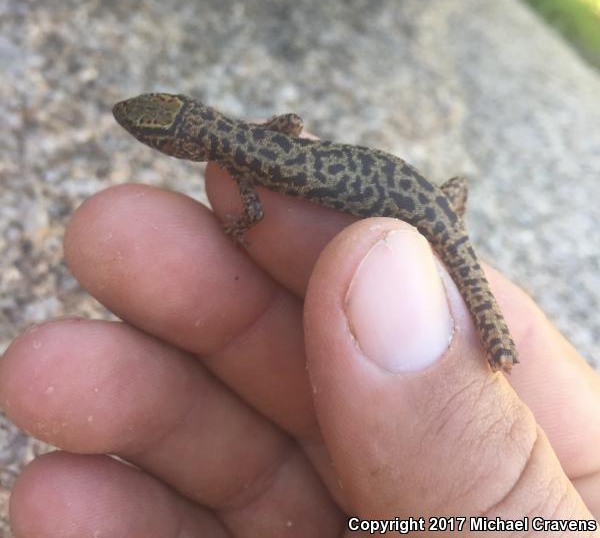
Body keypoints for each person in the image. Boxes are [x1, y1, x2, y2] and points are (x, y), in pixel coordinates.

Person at [1, 166, 599, 536]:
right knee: (451, 253)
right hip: (423, 200)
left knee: (425, 273)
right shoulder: (255, 147)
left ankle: (483, 326)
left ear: (182, 143)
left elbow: (253, 210)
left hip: (411, 208)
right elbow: (286, 127)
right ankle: (485, 321)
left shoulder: (242, 165)